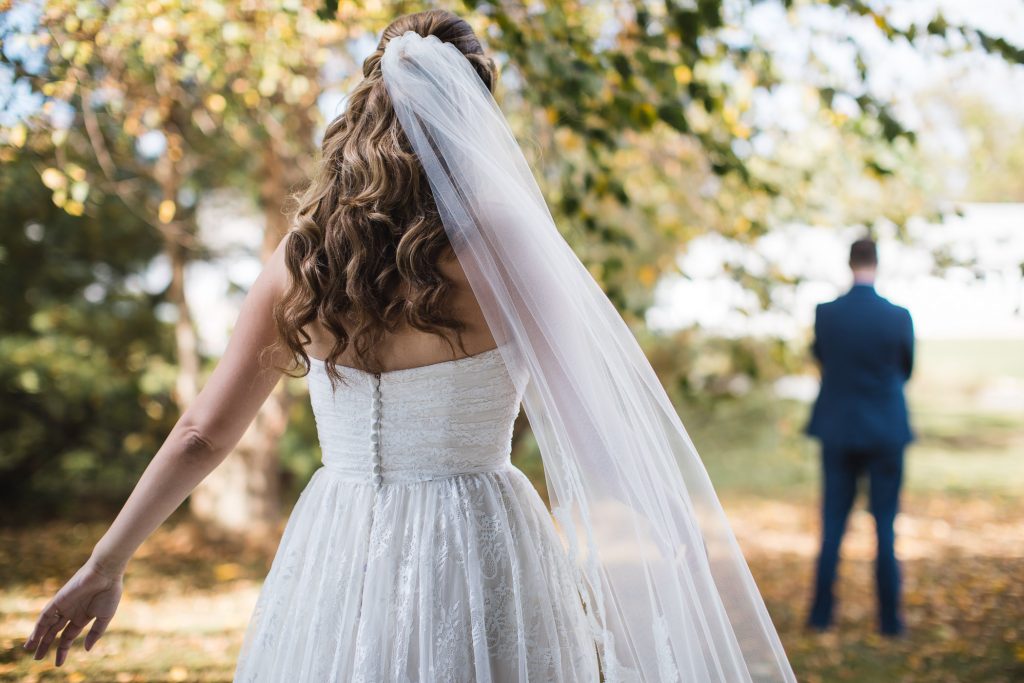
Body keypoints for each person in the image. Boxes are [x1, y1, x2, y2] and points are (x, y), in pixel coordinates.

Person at [25, 10, 797, 681]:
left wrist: (107, 562)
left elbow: (202, 433)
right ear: (472, 115)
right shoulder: (506, 246)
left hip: (339, 540)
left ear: (365, 109)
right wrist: (675, 567)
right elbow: (592, 427)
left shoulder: (301, 260)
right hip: (482, 541)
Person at [805, 237, 915, 636]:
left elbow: (822, 358)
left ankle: (820, 616)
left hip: (838, 427)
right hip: (885, 429)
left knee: (833, 524)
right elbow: (906, 368)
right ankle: (890, 621)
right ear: (877, 264)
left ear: (849, 263)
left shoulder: (826, 314)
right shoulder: (898, 316)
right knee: (884, 525)